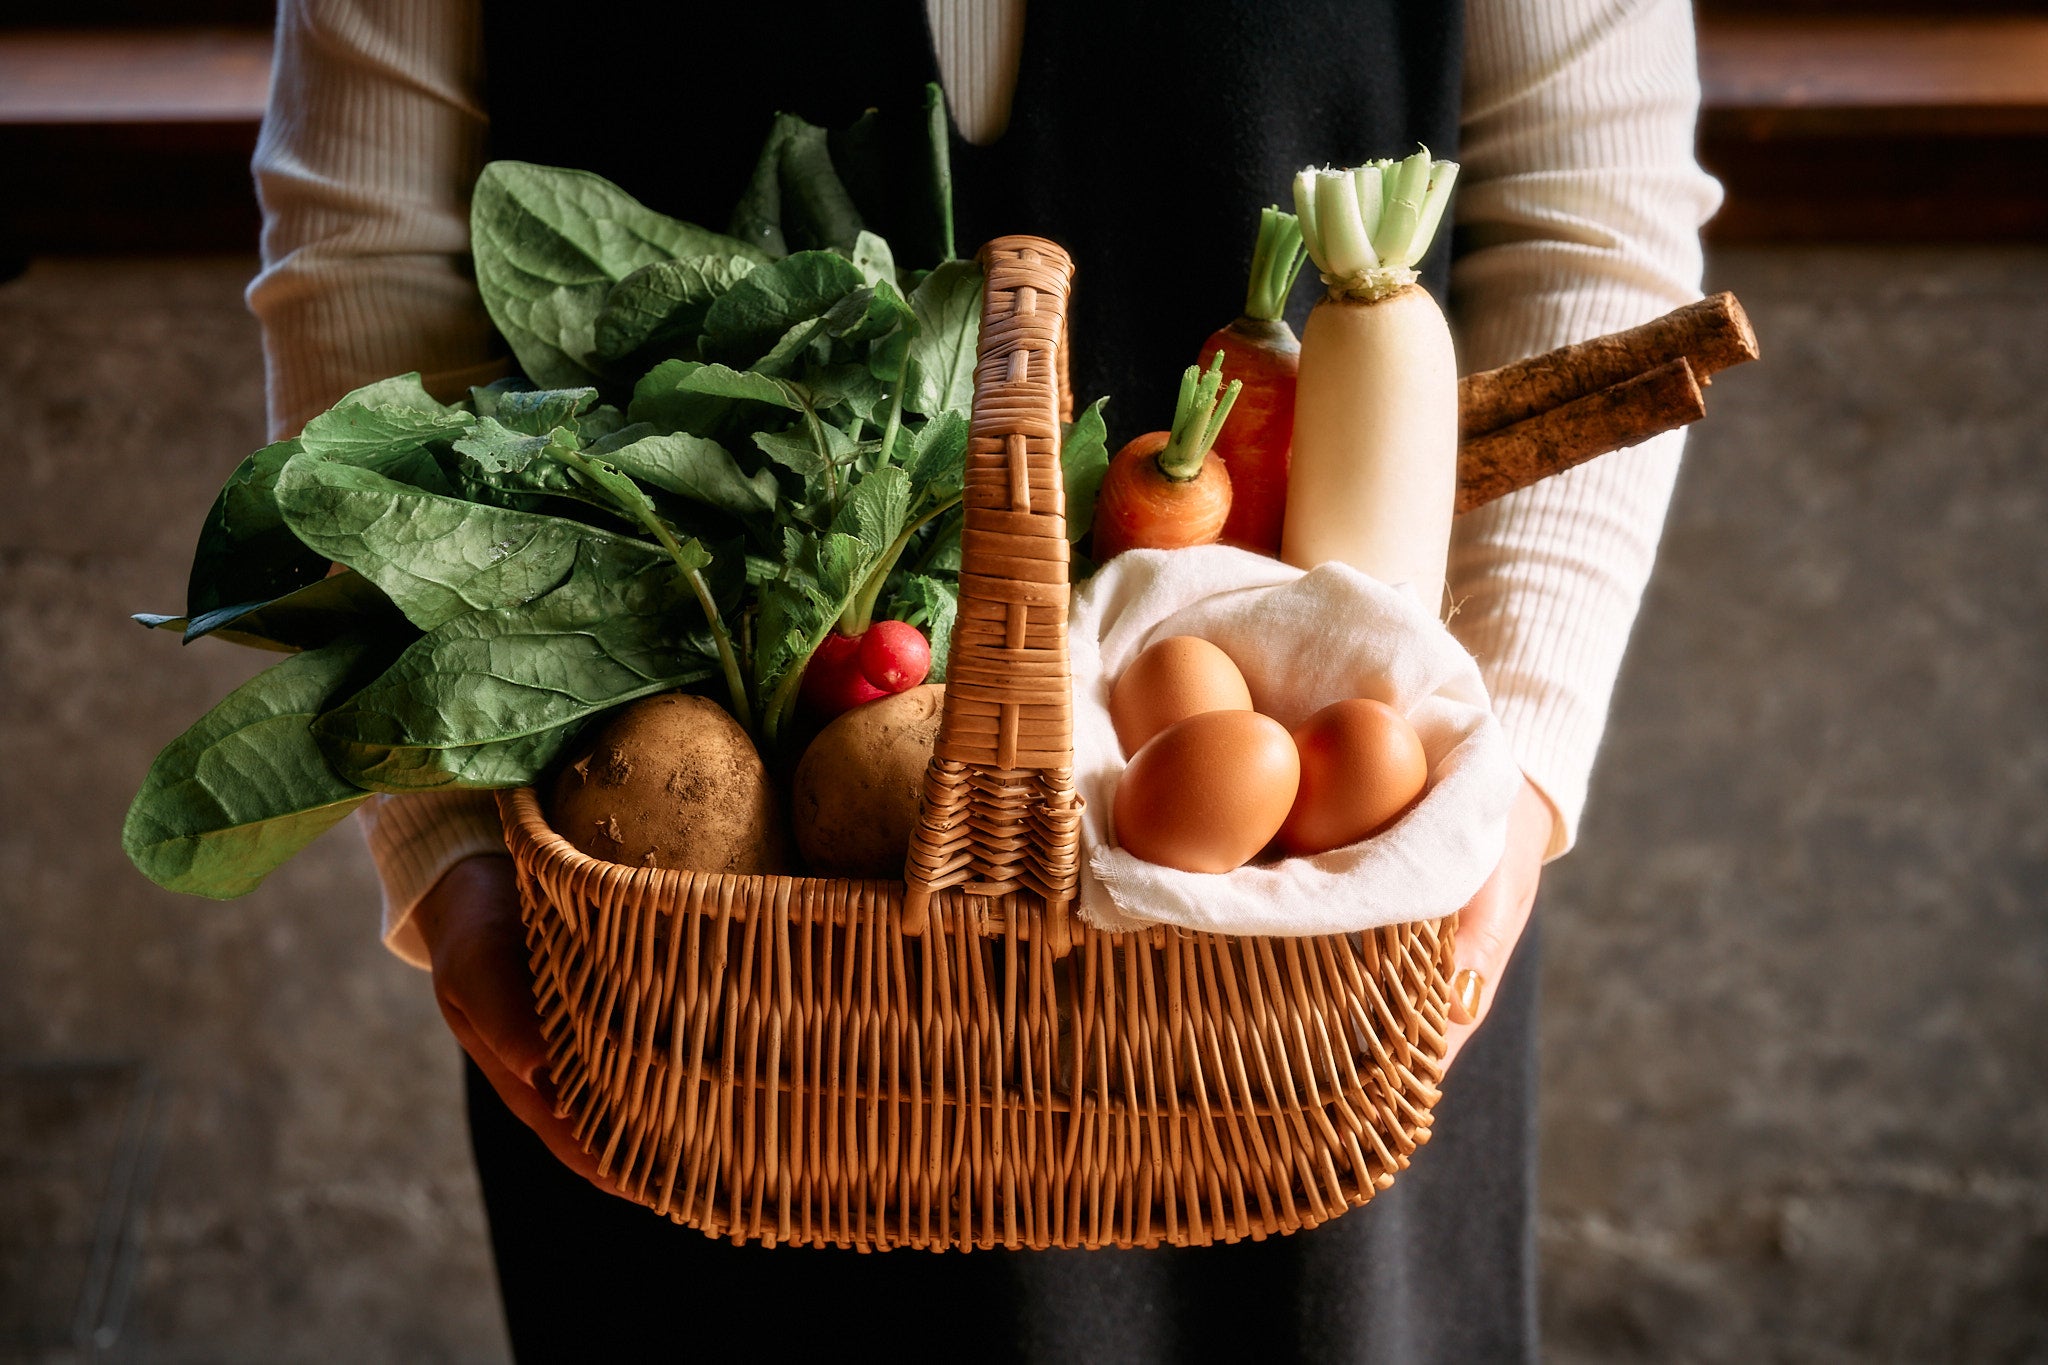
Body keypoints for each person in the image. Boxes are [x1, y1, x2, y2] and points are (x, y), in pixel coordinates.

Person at [248, 1, 1719, 1358]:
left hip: (1312, 947)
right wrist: (449, 857)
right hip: (700, 1000)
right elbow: (368, 252)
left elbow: (1586, 206)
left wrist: (1499, 789)